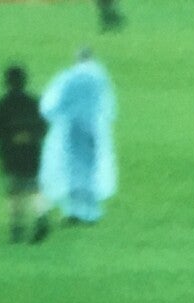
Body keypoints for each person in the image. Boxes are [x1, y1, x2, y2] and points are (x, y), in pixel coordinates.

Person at [0, 65, 51, 245]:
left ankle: (17, 228)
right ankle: (41, 217)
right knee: (34, 186)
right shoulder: (34, 102)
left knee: (15, 191)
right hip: (32, 152)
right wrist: (33, 136)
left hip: (11, 153)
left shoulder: (3, 105)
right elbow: (45, 126)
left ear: (7, 83)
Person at [39, 49, 118, 227]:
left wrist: (52, 119)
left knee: (72, 170)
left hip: (71, 130)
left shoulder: (67, 77)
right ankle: (92, 212)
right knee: (90, 170)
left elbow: (50, 105)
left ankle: (74, 211)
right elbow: (109, 107)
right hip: (94, 130)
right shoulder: (101, 79)